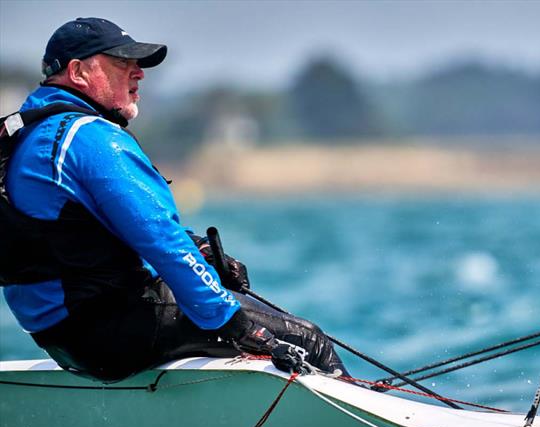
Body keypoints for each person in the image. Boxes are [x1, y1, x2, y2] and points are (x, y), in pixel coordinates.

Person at [1, 17, 348, 382]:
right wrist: (232, 323)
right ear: (78, 71)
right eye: (122, 63)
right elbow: (162, 242)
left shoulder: (25, 135)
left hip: (60, 338)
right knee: (307, 340)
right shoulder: (90, 139)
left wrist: (197, 248)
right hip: (114, 331)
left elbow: (86, 235)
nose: (138, 74)